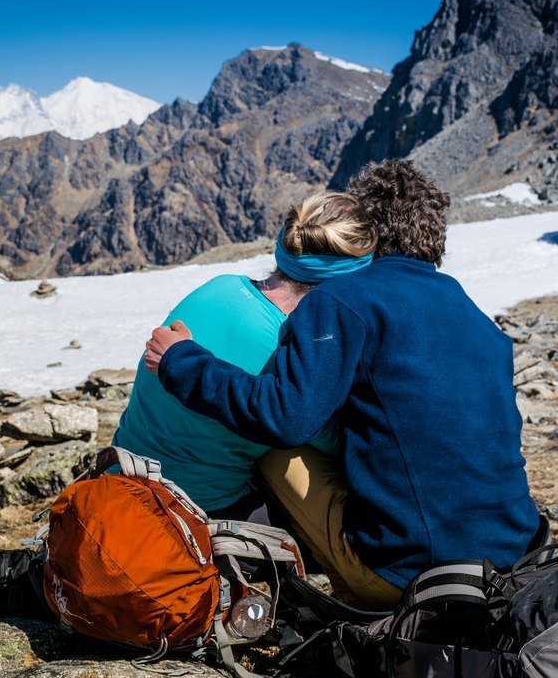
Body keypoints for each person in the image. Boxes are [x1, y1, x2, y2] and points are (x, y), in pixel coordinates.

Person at [144, 160, 542, 609]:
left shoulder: (343, 300)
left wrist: (183, 362)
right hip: (512, 557)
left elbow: (287, 418)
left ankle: (297, 573)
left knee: (279, 448)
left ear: (364, 233)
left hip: (406, 577)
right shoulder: (476, 317)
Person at [113, 191, 377, 520]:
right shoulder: (292, 348)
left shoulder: (220, 285)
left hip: (119, 476)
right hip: (198, 511)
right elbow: (331, 442)